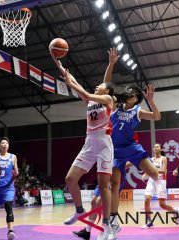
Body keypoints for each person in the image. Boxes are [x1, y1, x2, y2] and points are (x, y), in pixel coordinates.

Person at [52, 55, 115, 240]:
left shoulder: (108, 99)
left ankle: (106, 226)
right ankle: (79, 210)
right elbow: (73, 80)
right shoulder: (91, 102)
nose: (97, 86)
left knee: (103, 187)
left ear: (107, 91)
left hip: (104, 143)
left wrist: (110, 64)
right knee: (70, 179)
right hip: (89, 142)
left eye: (100, 86)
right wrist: (58, 63)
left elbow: (87, 91)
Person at [104, 48, 160, 238]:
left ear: (135, 98)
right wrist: (111, 63)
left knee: (154, 173)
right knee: (114, 184)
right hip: (115, 150)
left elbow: (157, 116)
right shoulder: (115, 106)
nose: (127, 94)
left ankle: (161, 198)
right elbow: (106, 84)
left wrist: (151, 101)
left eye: (131, 93)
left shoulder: (137, 110)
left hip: (132, 149)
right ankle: (113, 222)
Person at [73, 164, 129, 240]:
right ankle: (87, 231)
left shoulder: (124, 152)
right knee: (94, 202)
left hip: (116, 176)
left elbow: (132, 160)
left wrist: (117, 165)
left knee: (100, 201)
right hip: (104, 176)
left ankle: (110, 227)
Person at [141, 143, 179, 229]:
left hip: (161, 181)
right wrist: (145, 174)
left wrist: (152, 171)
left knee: (162, 204)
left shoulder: (164, 158)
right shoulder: (150, 159)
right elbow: (148, 169)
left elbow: (163, 171)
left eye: (157, 147)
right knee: (146, 199)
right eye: (154, 147)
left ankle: (174, 212)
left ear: (161, 149)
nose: (155, 148)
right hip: (151, 180)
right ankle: (149, 221)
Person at [0, 137, 19, 239]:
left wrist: (16, 172)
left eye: (6, 143)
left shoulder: (13, 157)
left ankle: (10, 230)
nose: (5, 144)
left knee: (8, 207)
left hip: (8, 187)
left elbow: (16, 170)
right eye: (2, 143)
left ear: (8, 145)